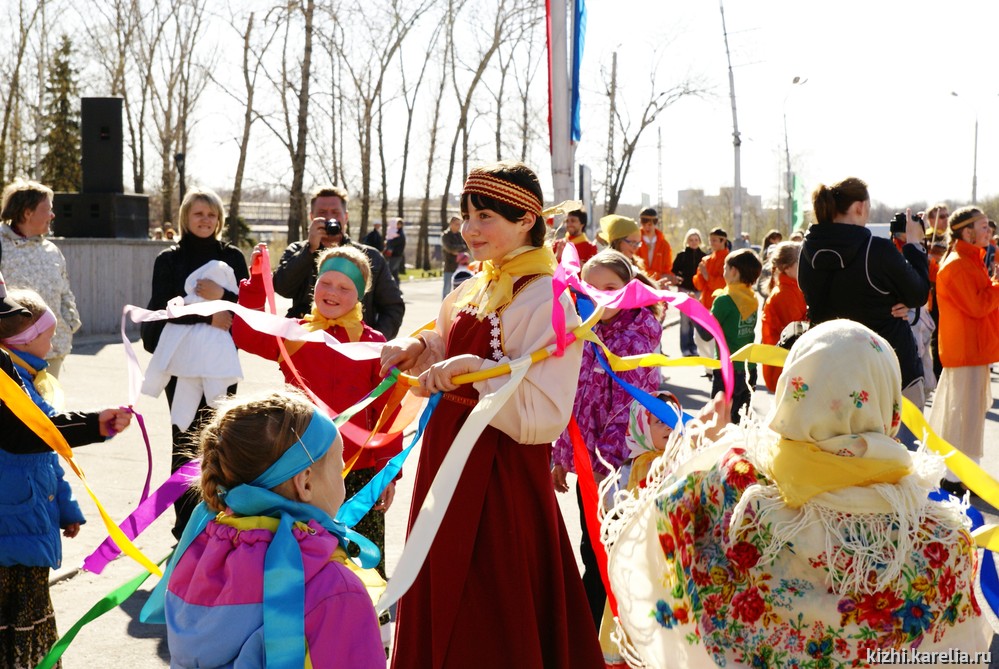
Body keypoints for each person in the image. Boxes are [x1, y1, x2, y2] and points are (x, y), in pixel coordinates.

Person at [604, 320, 991, 668]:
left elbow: (660, 523)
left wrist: (696, 448)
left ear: (793, 390)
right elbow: (958, 651)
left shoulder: (735, 487)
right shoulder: (940, 539)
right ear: (887, 400)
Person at [379, 160, 603, 667]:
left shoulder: (546, 295)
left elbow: (544, 413)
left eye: (484, 216)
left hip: (496, 473)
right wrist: (421, 348)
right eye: (465, 215)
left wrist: (476, 370)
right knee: (440, 577)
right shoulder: (480, 282)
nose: (470, 228)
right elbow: (447, 338)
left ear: (526, 219)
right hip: (447, 457)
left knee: (488, 602)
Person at [161, 389, 384, 667]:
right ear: (305, 483)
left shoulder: (201, 558)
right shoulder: (334, 588)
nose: (343, 475)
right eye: (339, 468)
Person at [232, 243, 402, 575]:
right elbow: (246, 333)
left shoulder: (374, 343)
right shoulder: (295, 334)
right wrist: (256, 280)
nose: (332, 292)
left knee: (359, 558)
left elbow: (388, 410)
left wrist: (388, 473)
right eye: (326, 282)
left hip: (357, 471)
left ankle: (364, 620)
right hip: (299, 466)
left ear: (360, 295)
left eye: (344, 287)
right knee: (304, 555)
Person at [0, 273, 132, 669]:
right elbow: (31, 434)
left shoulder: (20, 377)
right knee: (18, 621)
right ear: (22, 341)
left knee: (27, 614)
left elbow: (45, 456)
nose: (54, 344)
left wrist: (66, 508)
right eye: (46, 336)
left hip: (29, 523)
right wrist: (95, 425)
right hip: (14, 530)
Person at [551, 250, 663, 629]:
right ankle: (596, 629)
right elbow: (574, 400)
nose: (600, 297)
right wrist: (562, 458)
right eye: (591, 288)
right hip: (587, 467)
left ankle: (604, 629)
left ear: (629, 290)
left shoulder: (638, 334)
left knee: (614, 551)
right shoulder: (582, 329)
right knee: (591, 546)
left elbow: (628, 409)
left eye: (611, 288)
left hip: (622, 471)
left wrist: (605, 469)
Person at [140, 188, 249, 540]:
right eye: (198, 213)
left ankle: (217, 521)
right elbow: (161, 308)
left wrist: (225, 298)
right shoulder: (168, 259)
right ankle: (185, 527)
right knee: (185, 440)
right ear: (186, 217)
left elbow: (249, 306)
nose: (205, 220)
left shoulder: (232, 256)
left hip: (219, 366)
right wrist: (205, 318)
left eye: (212, 215)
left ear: (220, 220)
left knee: (221, 442)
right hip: (183, 366)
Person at [798, 177, 929, 407]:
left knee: (841, 442)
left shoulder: (809, 249)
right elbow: (918, 293)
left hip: (829, 365)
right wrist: (914, 244)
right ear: (859, 207)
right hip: (885, 366)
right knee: (901, 441)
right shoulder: (876, 249)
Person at [928, 206, 999, 497]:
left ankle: (963, 477)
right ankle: (956, 479)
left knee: (967, 422)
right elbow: (979, 305)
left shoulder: (969, 260)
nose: (989, 231)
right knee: (961, 423)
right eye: (983, 227)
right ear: (966, 232)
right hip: (965, 355)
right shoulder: (957, 264)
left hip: (973, 352)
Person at [273, 187, 405, 337]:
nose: (330, 219)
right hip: (305, 346)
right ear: (312, 217)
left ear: (346, 217)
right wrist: (309, 250)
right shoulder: (297, 250)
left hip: (354, 351)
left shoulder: (370, 257)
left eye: (335, 213)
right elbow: (283, 288)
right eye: (322, 213)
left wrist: (372, 343)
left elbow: (393, 307)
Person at [0, 179, 81, 378]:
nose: (53, 215)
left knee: (50, 408)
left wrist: (69, 324)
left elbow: (65, 292)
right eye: (48, 209)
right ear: (27, 213)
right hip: (11, 353)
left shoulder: (51, 250)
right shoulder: (2, 245)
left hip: (52, 351)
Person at [709, 248, 762, 422]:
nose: (723, 271)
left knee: (721, 420)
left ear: (733, 271)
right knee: (742, 420)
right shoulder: (752, 298)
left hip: (727, 368)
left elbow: (707, 331)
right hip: (749, 368)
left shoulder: (724, 300)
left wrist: (693, 310)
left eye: (725, 267)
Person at [760, 241, 806, 392]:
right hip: (784, 363)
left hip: (789, 362)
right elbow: (797, 329)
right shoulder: (784, 293)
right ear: (787, 267)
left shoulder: (793, 288)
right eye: (800, 262)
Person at [671, 228, 707, 357]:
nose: (693, 242)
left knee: (696, 320)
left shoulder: (704, 256)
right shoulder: (681, 255)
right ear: (687, 241)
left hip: (698, 291)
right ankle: (685, 348)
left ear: (699, 241)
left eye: (696, 240)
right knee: (685, 321)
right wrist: (678, 279)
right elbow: (673, 270)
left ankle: (695, 347)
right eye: (691, 240)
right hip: (685, 290)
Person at [635, 207, 673, 282]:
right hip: (640, 282)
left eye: (651, 222)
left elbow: (667, 268)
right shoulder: (634, 241)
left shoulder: (664, 245)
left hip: (659, 284)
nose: (647, 226)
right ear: (640, 221)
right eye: (644, 221)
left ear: (656, 222)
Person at [441, 214, 469, 298]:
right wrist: (461, 248)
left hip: (462, 266)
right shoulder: (445, 235)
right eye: (457, 224)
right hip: (450, 266)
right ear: (451, 224)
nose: (459, 226)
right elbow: (450, 248)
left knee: (460, 290)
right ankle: (445, 308)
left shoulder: (461, 235)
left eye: (460, 224)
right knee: (447, 288)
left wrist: (458, 250)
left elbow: (467, 246)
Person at [384, 217, 406, 282]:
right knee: (394, 272)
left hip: (396, 255)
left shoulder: (399, 234)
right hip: (396, 255)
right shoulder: (396, 232)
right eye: (397, 224)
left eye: (400, 224)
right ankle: (396, 287)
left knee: (390, 270)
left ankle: (391, 287)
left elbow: (394, 243)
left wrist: (387, 242)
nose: (398, 225)